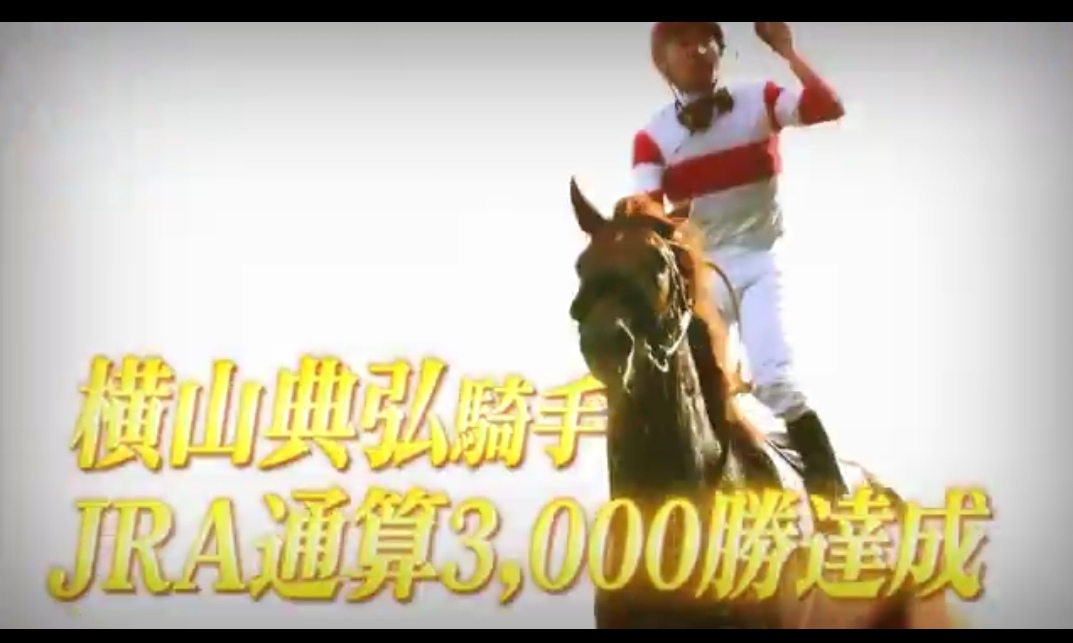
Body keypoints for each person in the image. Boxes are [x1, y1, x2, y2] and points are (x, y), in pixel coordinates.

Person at [630, 21, 848, 500]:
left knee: (775, 381)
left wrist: (787, 50)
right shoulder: (652, 137)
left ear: (720, 50)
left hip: (760, 261)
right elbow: (649, 218)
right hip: (704, 273)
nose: (696, 49)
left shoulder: (759, 99)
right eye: (682, 42)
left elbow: (828, 107)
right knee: (689, 386)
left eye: (705, 39)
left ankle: (834, 497)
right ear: (662, 62)